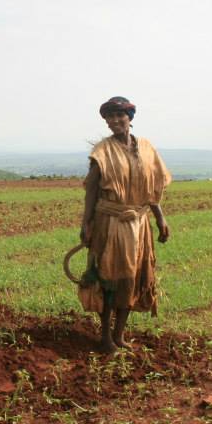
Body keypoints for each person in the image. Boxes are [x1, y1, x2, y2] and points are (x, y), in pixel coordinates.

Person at [79, 96, 172, 353]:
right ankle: (106, 338)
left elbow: (152, 188)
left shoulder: (146, 148)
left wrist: (160, 218)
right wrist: (86, 224)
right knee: (110, 280)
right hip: (110, 223)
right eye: (110, 117)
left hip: (139, 224)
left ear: (130, 118)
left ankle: (119, 335)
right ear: (106, 121)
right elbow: (91, 191)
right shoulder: (102, 151)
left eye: (120, 115)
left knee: (134, 280)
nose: (115, 120)